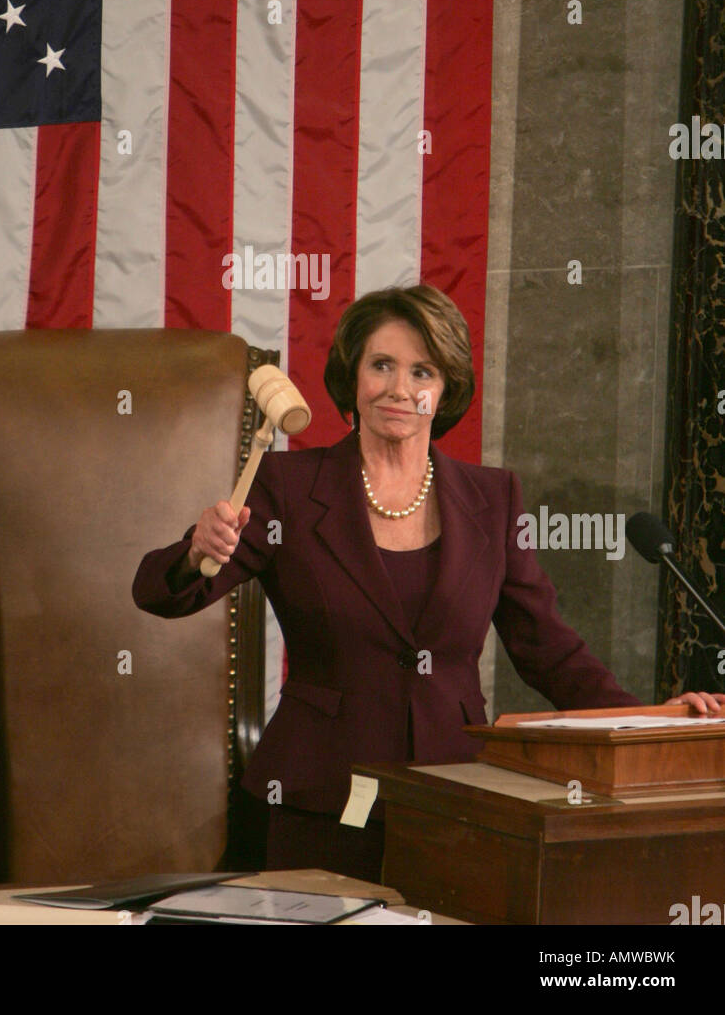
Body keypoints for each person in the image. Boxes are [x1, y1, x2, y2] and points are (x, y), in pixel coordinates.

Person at [132, 283, 725, 883]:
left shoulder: (493, 499)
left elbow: (546, 647)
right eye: (381, 365)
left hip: (457, 797)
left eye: (422, 371)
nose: (399, 388)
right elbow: (162, 592)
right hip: (316, 798)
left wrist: (651, 722)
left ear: (444, 391)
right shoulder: (285, 485)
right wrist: (194, 551)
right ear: (353, 377)